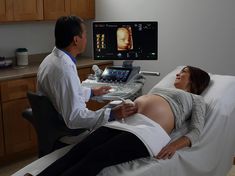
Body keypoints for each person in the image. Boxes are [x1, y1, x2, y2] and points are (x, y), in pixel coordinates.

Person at [34, 66, 210, 176]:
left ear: (195, 79)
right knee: (79, 150)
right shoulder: (162, 89)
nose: (178, 73)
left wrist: (174, 145)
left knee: (98, 156)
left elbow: (196, 131)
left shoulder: (196, 99)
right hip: (124, 122)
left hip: (148, 131)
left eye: (184, 72)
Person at [37, 16, 137, 133]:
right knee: (121, 123)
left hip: (55, 122)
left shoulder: (51, 59)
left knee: (113, 107)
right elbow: (74, 118)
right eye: (85, 34)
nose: (86, 38)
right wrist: (112, 114)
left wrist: (92, 92)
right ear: (76, 40)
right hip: (69, 130)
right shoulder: (64, 69)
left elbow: (66, 92)